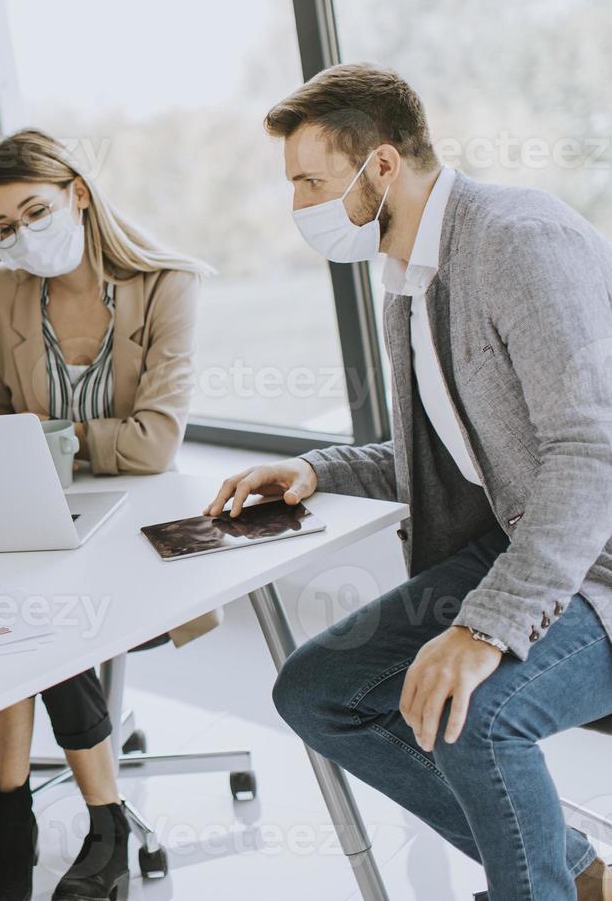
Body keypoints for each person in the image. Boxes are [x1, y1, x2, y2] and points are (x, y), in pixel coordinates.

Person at [206, 63, 612, 901]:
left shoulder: (518, 240)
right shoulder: (411, 281)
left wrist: (487, 629)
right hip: (533, 543)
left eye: (311, 181)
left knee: (478, 719)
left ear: (381, 166)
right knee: (320, 692)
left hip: (597, 564)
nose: (299, 207)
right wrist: (318, 469)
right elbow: (458, 449)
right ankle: (568, 873)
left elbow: (590, 451)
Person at [0, 129, 217, 901]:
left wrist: (49, 440)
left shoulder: (167, 284)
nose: (20, 237)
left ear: (78, 193)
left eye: (34, 212)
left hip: (143, 529)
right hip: (37, 523)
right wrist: (36, 450)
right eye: (3, 227)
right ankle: (80, 819)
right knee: (22, 589)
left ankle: (25, 820)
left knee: (40, 604)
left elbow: (155, 444)